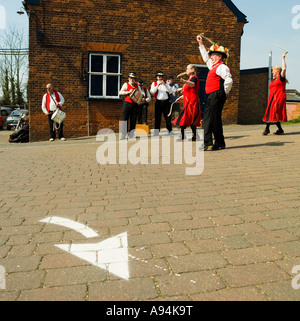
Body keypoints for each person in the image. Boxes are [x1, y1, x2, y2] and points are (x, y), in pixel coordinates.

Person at [196, 34, 233, 150]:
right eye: (212, 55)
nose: (212, 57)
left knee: (208, 118)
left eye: (214, 55)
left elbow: (229, 79)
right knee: (214, 118)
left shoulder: (222, 67)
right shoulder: (213, 66)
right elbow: (205, 58)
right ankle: (219, 143)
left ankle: (208, 143)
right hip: (214, 94)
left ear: (220, 57)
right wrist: (201, 44)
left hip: (217, 94)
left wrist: (224, 91)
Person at [173, 65, 201, 141]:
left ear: (192, 70)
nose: (186, 70)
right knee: (189, 118)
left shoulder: (194, 78)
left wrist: (185, 81)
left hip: (192, 102)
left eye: (187, 69)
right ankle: (195, 135)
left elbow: (193, 85)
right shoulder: (190, 79)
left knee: (185, 118)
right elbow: (187, 92)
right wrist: (180, 97)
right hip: (187, 101)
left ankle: (182, 135)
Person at [262, 53, 287, 135]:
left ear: (277, 72)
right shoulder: (273, 80)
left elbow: (284, 69)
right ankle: (279, 129)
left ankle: (267, 129)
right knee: (271, 112)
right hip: (272, 98)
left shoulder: (281, 78)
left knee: (273, 112)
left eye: (273, 71)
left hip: (278, 97)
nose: (272, 72)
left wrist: (283, 58)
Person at [119, 72, 143, 139]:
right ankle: (123, 135)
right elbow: (120, 92)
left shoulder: (137, 86)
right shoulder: (125, 84)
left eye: (133, 79)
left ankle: (131, 135)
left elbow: (141, 93)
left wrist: (142, 98)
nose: (132, 80)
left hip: (134, 105)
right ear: (128, 79)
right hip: (127, 104)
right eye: (131, 78)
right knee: (125, 119)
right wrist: (128, 92)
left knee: (133, 120)